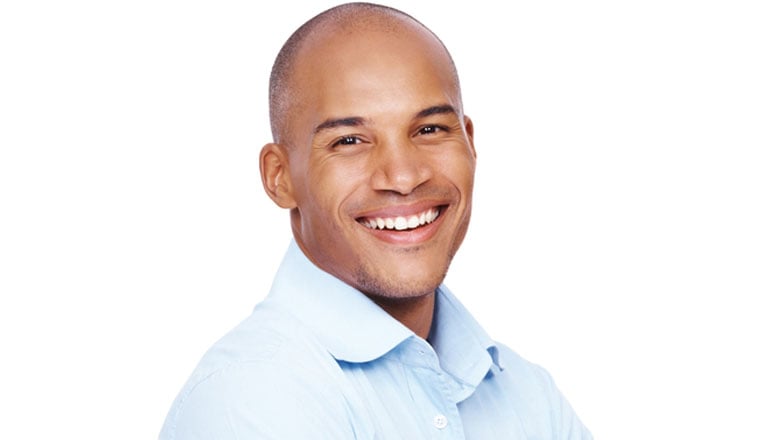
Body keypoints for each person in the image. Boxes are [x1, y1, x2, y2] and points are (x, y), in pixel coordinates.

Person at [160, 2, 592, 439]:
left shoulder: (526, 394)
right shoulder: (251, 397)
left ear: (470, 142)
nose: (403, 177)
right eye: (349, 141)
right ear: (279, 177)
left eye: (430, 130)